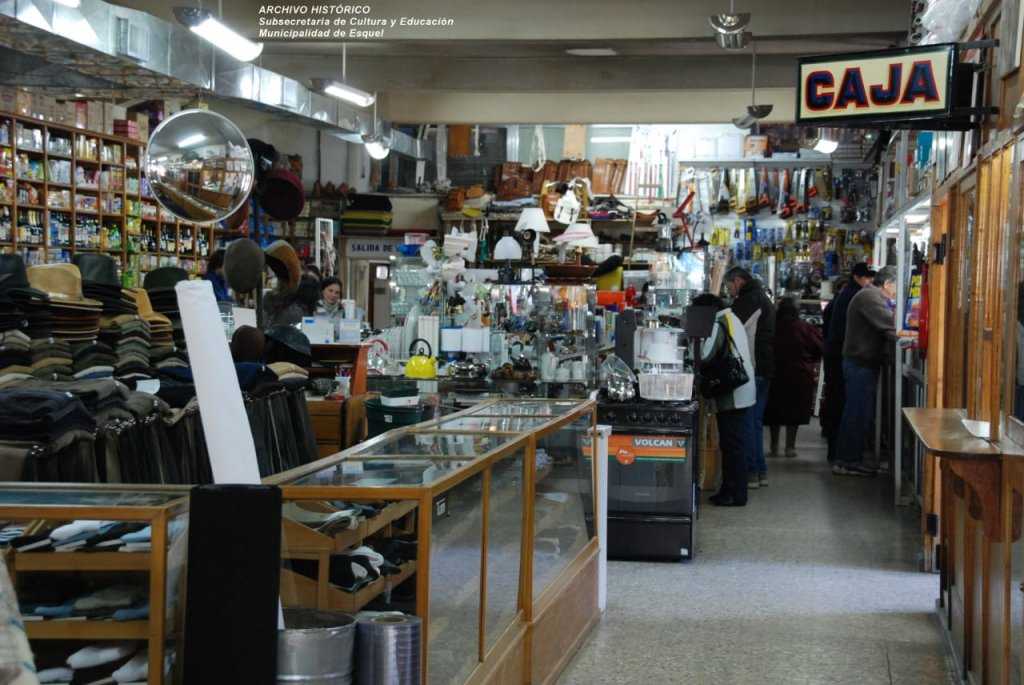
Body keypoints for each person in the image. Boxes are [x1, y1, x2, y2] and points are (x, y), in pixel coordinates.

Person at [834, 266, 898, 476]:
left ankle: (847, 459)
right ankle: (848, 461)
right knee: (857, 413)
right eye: (895, 287)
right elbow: (891, 323)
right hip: (859, 363)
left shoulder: (869, 295)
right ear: (887, 283)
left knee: (856, 412)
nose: (896, 292)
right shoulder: (870, 297)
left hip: (861, 363)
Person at [693, 292, 756, 507]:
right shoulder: (731, 318)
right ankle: (730, 489)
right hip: (740, 390)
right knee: (732, 444)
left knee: (732, 445)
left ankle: (736, 493)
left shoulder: (719, 323)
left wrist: (693, 341)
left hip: (733, 393)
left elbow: (706, 355)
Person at [723, 265, 775, 488]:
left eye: (729, 286)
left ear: (738, 281)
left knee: (748, 421)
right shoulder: (760, 296)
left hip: (754, 367)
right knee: (755, 422)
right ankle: (759, 470)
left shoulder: (750, 300)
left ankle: (752, 471)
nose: (729, 291)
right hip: (765, 366)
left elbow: (732, 327)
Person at [821, 263, 876, 463]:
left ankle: (836, 452)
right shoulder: (857, 296)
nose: (870, 283)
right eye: (867, 278)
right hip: (843, 357)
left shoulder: (848, 294)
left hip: (837, 356)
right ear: (856, 277)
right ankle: (841, 455)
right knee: (845, 406)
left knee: (839, 404)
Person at [764, 297, 824, 458]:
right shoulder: (805, 328)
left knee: (773, 412)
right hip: (800, 374)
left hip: (775, 373)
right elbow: (819, 348)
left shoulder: (772, 327)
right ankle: (790, 446)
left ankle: (774, 445)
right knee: (794, 412)